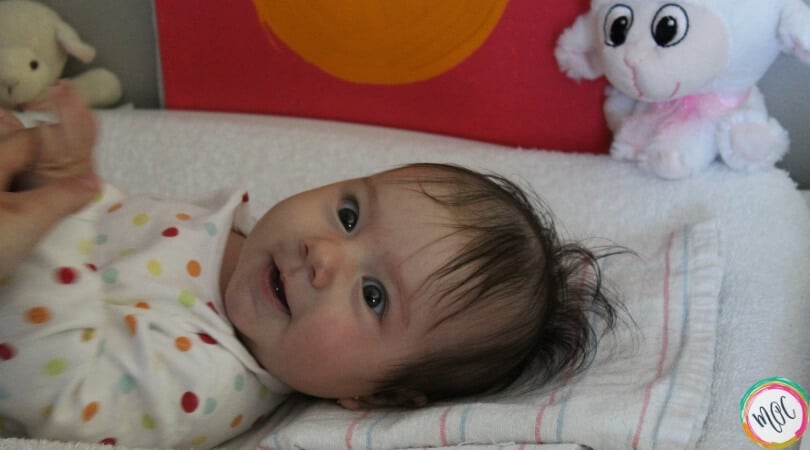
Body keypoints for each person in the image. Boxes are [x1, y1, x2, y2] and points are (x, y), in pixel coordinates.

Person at [0, 84, 622, 448]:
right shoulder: (224, 230)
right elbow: (105, 224)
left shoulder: (211, 380)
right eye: (349, 215)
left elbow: (55, 394)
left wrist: (56, 211)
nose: (324, 254)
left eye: (374, 296)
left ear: (375, 394)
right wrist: (34, 165)